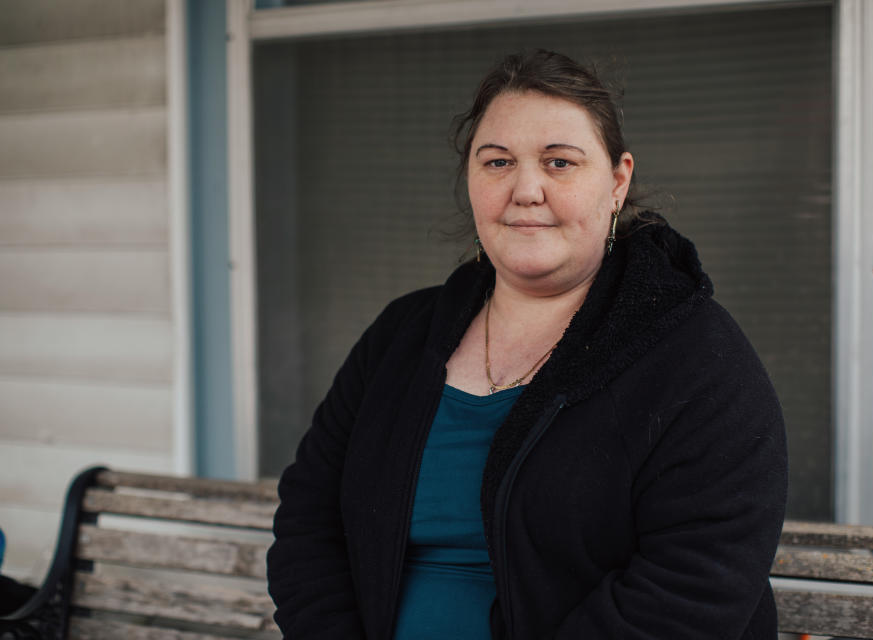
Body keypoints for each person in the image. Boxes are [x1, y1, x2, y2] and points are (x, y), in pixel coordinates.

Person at [267, 49, 788, 640]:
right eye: (497, 162)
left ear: (617, 182)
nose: (526, 189)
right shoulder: (403, 335)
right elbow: (310, 520)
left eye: (559, 162)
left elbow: (695, 584)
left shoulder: (695, 355)